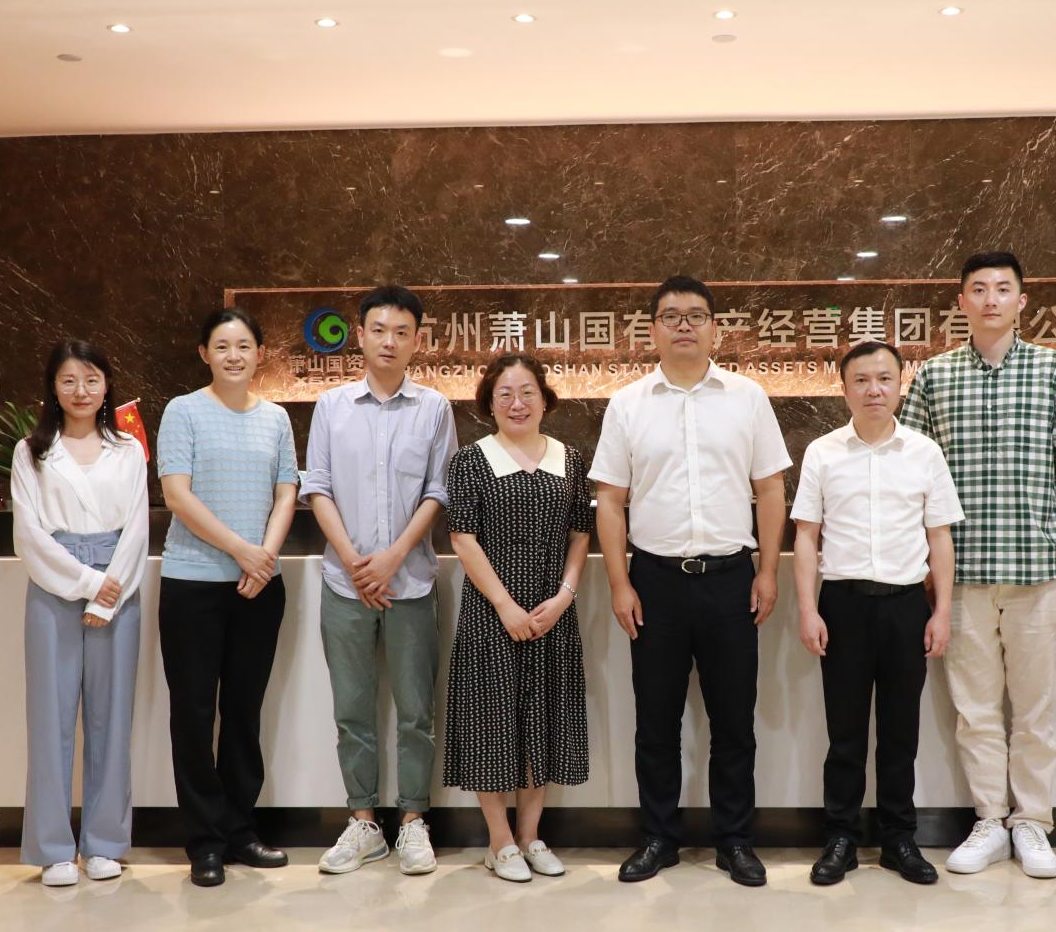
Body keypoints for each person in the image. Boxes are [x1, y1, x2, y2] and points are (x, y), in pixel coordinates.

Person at [900, 250, 1056, 880]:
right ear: (961, 301)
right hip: (959, 576)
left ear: (1022, 300)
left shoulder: (1054, 369)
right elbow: (910, 472)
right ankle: (990, 819)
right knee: (976, 710)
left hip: (1037, 567)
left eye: (1003, 289)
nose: (991, 299)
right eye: (979, 289)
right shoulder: (934, 376)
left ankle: (1033, 822)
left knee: (1035, 710)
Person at [593, 275, 792, 886]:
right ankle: (659, 838)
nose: (684, 325)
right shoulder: (628, 404)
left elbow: (770, 490)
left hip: (731, 579)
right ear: (652, 329)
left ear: (715, 328)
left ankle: (735, 840)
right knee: (656, 722)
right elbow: (610, 501)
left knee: (734, 722)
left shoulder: (747, 397)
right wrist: (620, 584)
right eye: (671, 316)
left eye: (696, 315)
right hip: (654, 582)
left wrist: (767, 571)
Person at [792, 341, 962, 887]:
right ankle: (840, 838)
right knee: (844, 734)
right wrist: (807, 609)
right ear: (844, 389)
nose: (873, 390)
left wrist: (942, 612)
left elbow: (940, 537)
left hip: (906, 605)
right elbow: (806, 536)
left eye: (884, 379)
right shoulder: (823, 452)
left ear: (899, 385)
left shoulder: (924, 452)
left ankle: (898, 839)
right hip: (841, 604)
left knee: (900, 732)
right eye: (861, 380)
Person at [303, 285, 458, 878]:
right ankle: (364, 822)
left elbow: (438, 490)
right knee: (353, 709)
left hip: (410, 580)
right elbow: (318, 487)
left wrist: (392, 558)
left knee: (416, 710)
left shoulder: (434, 408)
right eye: (378, 330)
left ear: (417, 340)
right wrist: (355, 561)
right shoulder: (331, 405)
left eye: (401, 332)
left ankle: (414, 821)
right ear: (360, 335)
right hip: (344, 584)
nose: (389, 341)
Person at [156, 307, 300, 888]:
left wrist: (264, 558)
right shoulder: (183, 411)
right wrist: (244, 550)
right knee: (193, 714)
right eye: (222, 346)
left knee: (243, 713)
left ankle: (241, 831)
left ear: (260, 353)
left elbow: (287, 492)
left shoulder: (276, 418)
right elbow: (177, 495)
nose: (233, 355)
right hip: (193, 585)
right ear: (204, 354)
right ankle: (205, 842)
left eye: (243, 345)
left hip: (258, 588)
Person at [442, 354, 594, 883]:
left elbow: (580, 534)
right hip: (492, 614)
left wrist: (565, 595)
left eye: (527, 391)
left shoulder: (569, 459)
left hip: (552, 613)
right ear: (490, 403)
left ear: (544, 399)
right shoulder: (471, 460)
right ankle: (499, 841)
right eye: (504, 393)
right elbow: (462, 538)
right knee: (492, 721)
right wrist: (505, 605)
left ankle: (530, 836)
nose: (517, 403)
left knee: (542, 719)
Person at [9, 341, 149, 887]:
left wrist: (108, 592)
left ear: (107, 384)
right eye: (68, 381)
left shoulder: (128, 450)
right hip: (55, 587)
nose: (81, 391)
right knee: (50, 718)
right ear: (53, 387)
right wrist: (90, 584)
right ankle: (52, 849)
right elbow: (29, 535)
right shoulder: (31, 452)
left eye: (91, 379)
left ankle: (105, 843)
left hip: (118, 584)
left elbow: (137, 528)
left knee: (111, 719)